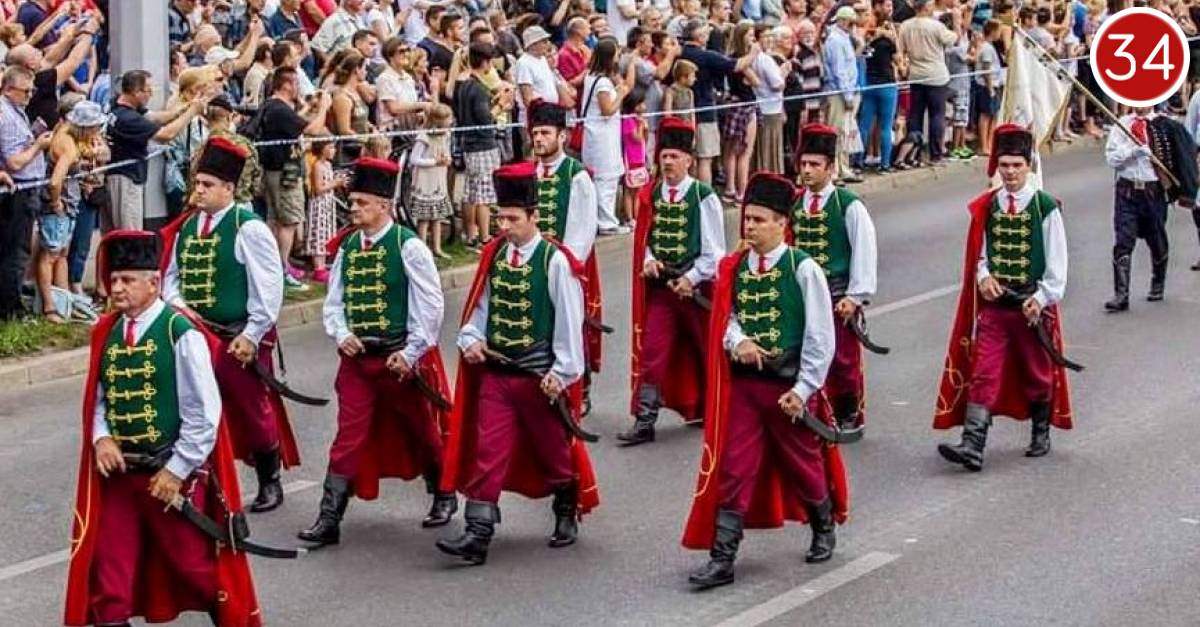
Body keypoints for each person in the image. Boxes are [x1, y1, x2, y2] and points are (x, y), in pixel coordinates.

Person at [63, 230, 261, 627]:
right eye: (114, 280)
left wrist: (177, 470)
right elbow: (99, 398)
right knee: (108, 578)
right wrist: (102, 437)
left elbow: (204, 413)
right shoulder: (105, 331)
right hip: (119, 478)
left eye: (127, 280)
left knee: (197, 570)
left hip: (169, 477)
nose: (117, 288)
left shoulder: (180, 332)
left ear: (154, 283)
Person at [682, 173, 849, 589]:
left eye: (758, 220)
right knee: (734, 468)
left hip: (787, 389)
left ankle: (823, 523)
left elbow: (820, 337)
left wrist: (804, 389)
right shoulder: (734, 267)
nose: (750, 227)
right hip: (745, 389)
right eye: (747, 219)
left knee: (803, 464)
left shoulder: (803, 268)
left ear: (781, 223)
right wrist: (737, 340)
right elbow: (727, 318)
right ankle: (722, 558)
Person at [437, 162, 599, 565]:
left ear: (533, 216)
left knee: (553, 453)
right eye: (500, 218)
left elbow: (569, 322)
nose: (505, 226)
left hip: (538, 378)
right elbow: (480, 309)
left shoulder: (555, 261)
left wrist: (562, 373)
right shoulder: (494, 255)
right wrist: (471, 338)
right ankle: (477, 534)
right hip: (497, 375)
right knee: (488, 452)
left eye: (513, 218)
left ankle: (566, 505)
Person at [299, 157, 456, 547]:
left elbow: (430, 305)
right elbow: (334, 302)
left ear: (384, 205)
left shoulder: (408, 246)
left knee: (420, 429)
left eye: (361, 202)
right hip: (358, 363)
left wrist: (412, 352)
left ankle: (442, 490)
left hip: (397, 361)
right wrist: (341, 333)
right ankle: (329, 517)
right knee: (348, 436)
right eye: (352, 202)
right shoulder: (348, 247)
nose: (353, 208)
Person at [161, 137, 301, 513]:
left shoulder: (247, 226)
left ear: (228, 187)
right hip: (196, 336)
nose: (199, 190)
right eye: (197, 183)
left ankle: (270, 480)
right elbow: (171, 279)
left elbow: (268, 286)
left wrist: (252, 334)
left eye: (207, 184)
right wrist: (179, 307)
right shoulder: (187, 227)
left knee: (252, 409)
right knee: (196, 410)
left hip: (236, 335)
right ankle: (207, 484)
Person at [935, 125, 1072, 471]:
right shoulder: (989, 206)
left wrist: (1042, 297)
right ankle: (972, 445)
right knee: (983, 371)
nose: (1010, 172)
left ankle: (1040, 431)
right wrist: (984, 277)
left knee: (1037, 374)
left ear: (1029, 166)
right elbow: (980, 255)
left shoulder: (1045, 207)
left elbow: (1057, 263)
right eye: (1004, 165)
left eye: (1016, 165)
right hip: (996, 309)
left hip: (1030, 308)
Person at [621, 118, 727, 446]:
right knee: (653, 352)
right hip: (663, 290)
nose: (667, 162)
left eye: (674, 156)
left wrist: (691, 278)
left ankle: (716, 409)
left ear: (688, 161)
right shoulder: (651, 194)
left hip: (697, 290)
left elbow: (715, 252)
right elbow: (645, 240)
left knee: (706, 351)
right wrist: (649, 261)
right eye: (664, 156)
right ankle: (645, 419)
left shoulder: (703, 196)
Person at [791, 124, 878, 434]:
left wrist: (854, 297)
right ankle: (812, 410)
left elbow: (864, 250)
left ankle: (847, 413)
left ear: (830, 167)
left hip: (837, 293)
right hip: (802, 295)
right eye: (803, 163)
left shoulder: (847, 204)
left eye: (814, 164)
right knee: (805, 353)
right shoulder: (794, 204)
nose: (807, 170)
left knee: (842, 357)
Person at [529, 100, 603, 401]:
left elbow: (583, 229)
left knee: (571, 320)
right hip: (534, 261)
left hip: (568, 262)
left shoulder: (576, 175)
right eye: (535, 133)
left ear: (562, 136)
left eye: (545, 133)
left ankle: (578, 386)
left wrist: (565, 264)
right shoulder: (529, 172)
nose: (538, 139)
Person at [106, 70, 210, 232]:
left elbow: (156, 117)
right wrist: (192, 112)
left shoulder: (118, 104)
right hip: (126, 179)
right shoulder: (129, 119)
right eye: (148, 90)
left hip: (122, 176)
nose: (151, 94)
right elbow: (166, 135)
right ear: (136, 92)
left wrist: (186, 107)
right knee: (130, 232)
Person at [258, 66, 330, 289]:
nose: (299, 87)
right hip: (285, 173)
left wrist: (309, 107)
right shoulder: (279, 108)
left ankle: (275, 267)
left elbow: (295, 126)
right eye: (296, 82)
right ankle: (282, 270)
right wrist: (324, 108)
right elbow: (314, 130)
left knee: (276, 221)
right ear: (287, 85)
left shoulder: (272, 106)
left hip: (274, 171)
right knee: (288, 222)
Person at [38, 100, 107, 322]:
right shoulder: (67, 145)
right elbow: (55, 181)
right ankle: (49, 307)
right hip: (60, 206)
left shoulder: (68, 133)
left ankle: (64, 302)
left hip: (69, 204)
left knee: (62, 254)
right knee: (50, 254)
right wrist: (56, 203)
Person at [1103, 107, 1170, 312]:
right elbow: (1111, 159)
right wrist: (1132, 150)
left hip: (1153, 191)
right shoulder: (1122, 124)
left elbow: (1176, 157)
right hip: (1127, 190)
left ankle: (1157, 283)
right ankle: (1121, 295)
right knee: (1123, 241)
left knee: (1157, 239)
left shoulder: (1162, 124)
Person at [678, 17, 759, 186]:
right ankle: (704, 194)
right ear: (699, 36)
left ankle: (691, 192)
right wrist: (753, 54)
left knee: (690, 158)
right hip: (704, 112)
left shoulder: (681, 52)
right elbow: (736, 66)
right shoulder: (706, 56)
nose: (709, 37)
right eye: (706, 33)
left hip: (683, 112)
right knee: (705, 158)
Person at [0, 64, 51, 320]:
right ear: (8, 89)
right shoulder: (6, 116)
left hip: (24, 188)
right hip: (18, 191)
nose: (30, 96)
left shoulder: (15, 110)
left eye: (32, 91)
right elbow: (15, 162)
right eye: (25, 91)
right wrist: (38, 146)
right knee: (16, 252)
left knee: (16, 250)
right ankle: (10, 308)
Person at [897, 0, 958, 164]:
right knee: (937, 115)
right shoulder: (936, 26)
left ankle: (913, 154)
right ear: (926, 7)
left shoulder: (905, 26)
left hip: (916, 75)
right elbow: (953, 40)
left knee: (915, 115)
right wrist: (957, 22)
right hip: (936, 75)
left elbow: (901, 50)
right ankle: (935, 153)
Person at [581, 37, 632, 235]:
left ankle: (601, 219)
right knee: (605, 178)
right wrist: (620, 94)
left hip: (599, 135)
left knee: (603, 178)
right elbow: (607, 110)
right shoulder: (601, 82)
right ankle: (606, 222)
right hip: (601, 137)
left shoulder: (591, 77)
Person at [454, 42, 501, 251]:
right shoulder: (479, 89)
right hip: (482, 145)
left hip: (468, 144)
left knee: (470, 192)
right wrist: (500, 106)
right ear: (485, 62)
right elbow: (485, 120)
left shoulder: (464, 85)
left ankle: (470, 234)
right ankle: (484, 236)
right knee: (484, 193)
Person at [409, 103, 454, 259]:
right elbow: (414, 159)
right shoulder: (424, 137)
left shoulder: (445, 135)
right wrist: (434, 162)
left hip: (438, 179)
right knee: (424, 218)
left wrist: (447, 159)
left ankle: (437, 247)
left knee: (437, 216)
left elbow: (446, 151)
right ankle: (422, 248)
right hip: (426, 180)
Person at [823, 6, 862, 183]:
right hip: (838, 92)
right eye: (849, 22)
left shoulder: (844, 38)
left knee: (846, 132)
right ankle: (833, 171)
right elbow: (839, 71)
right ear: (841, 20)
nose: (851, 26)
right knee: (836, 132)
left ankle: (844, 168)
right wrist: (847, 95)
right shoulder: (835, 40)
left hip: (847, 90)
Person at [305, 137, 345, 283]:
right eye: (331, 147)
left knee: (326, 233)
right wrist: (335, 183)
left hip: (328, 204)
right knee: (319, 234)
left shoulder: (328, 165)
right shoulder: (317, 166)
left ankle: (323, 265)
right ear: (322, 149)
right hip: (319, 205)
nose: (334, 151)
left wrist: (338, 181)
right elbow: (318, 188)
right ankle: (318, 268)